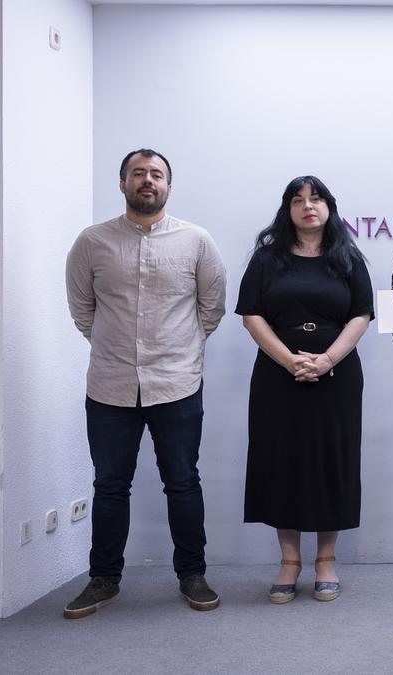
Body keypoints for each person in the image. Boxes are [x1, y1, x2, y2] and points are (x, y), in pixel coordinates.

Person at [64, 148, 227, 618]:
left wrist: (182, 350)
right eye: (139, 173)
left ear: (168, 186)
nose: (148, 180)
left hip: (177, 382)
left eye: (157, 174)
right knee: (110, 485)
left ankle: (192, 575)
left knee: (182, 482)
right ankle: (103, 579)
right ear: (123, 184)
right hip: (110, 384)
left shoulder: (196, 241)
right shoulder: (92, 243)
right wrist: (110, 345)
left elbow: (210, 306)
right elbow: (82, 309)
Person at [235, 176, 372, 605]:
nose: (307, 206)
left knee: (331, 461)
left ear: (329, 206)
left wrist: (327, 359)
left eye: (315, 199)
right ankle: (289, 561)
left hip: (336, 375)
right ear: (287, 209)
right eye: (298, 200)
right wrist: (289, 360)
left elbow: (361, 315)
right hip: (279, 374)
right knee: (282, 461)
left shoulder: (347, 257)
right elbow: (251, 315)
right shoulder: (267, 259)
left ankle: (326, 560)